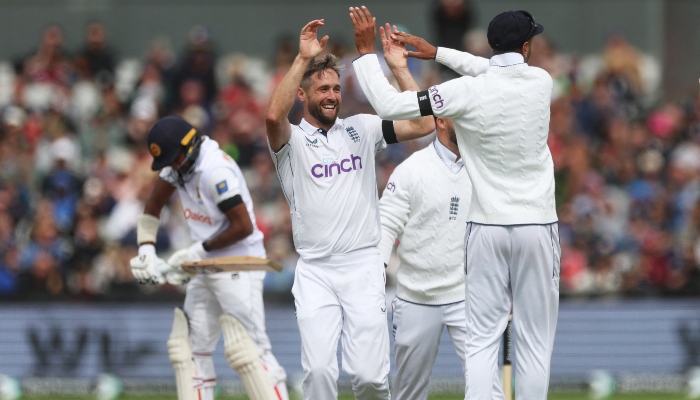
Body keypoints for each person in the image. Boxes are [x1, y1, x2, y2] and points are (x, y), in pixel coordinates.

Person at [350, 7, 560, 400]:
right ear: (527, 47)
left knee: (481, 340)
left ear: (490, 46)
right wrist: (438, 52)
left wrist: (366, 56)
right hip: (537, 225)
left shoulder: (464, 91)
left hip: (484, 229)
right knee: (533, 342)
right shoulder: (541, 82)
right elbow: (498, 70)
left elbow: (393, 108)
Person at [264, 18, 435, 400]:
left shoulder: (362, 128)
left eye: (336, 88)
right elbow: (273, 116)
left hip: (363, 267)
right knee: (321, 374)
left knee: (371, 378)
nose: (332, 95)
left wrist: (400, 70)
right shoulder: (291, 142)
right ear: (302, 96)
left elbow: (424, 122)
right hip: (315, 271)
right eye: (322, 88)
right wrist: (301, 59)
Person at [128, 116, 288, 400]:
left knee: (250, 351)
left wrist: (195, 252)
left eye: (174, 159)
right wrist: (147, 252)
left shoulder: (215, 171)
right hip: (205, 264)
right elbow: (152, 207)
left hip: (239, 263)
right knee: (188, 352)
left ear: (190, 146)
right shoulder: (177, 168)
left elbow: (243, 227)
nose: (172, 167)